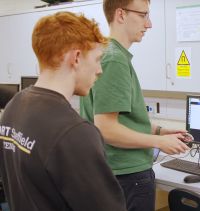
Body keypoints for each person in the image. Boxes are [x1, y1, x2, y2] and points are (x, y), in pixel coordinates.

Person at [0, 11, 126, 211]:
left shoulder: (14, 107)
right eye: (97, 59)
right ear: (76, 58)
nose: (100, 70)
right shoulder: (75, 132)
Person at [80, 0, 191, 210]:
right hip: (127, 175)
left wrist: (161, 131)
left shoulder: (108, 53)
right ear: (121, 15)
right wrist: (159, 142)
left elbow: (121, 121)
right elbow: (106, 129)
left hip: (119, 173)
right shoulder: (114, 60)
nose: (149, 24)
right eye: (143, 15)